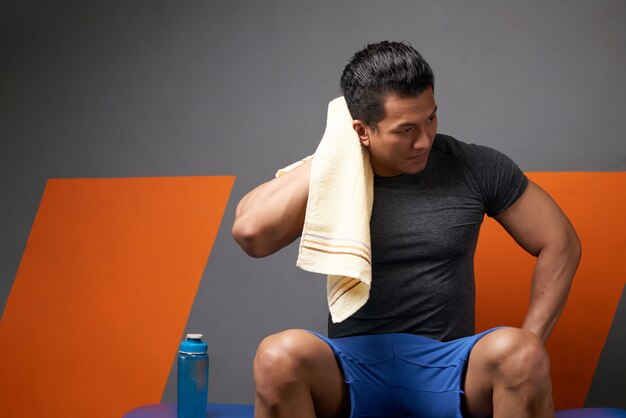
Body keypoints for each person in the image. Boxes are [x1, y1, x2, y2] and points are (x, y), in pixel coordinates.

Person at [232, 41, 581, 418]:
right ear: (361, 131)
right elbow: (251, 234)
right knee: (276, 356)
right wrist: (335, 150)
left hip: (452, 368)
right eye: (405, 130)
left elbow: (560, 241)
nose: (424, 140)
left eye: (430, 118)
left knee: (522, 353)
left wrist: (533, 338)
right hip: (352, 369)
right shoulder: (336, 178)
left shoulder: (472, 165)